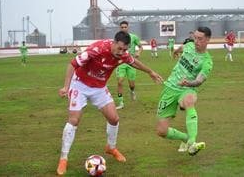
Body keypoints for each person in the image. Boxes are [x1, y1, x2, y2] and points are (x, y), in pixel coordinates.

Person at [56, 31, 163, 175]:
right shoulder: (96, 50)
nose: (121, 52)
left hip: (99, 88)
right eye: (119, 48)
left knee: (114, 118)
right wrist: (66, 86)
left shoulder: (123, 55)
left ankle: (111, 148)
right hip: (80, 85)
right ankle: (63, 158)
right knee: (74, 120)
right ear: (113, 43)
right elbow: (72, 64)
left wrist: (150, 72)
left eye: (124, 49)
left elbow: (134, 62)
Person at [156, 27, 213, 156]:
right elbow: (181, 48)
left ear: (208, 40)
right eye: (195, 37)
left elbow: (199, 81)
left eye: (200, 39)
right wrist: (176, 51)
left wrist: (189, 83)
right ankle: (185, 138)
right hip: (169, 88)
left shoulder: (207, 61)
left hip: (187, 88)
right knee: (161, 131)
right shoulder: (189, 45)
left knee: (189, 101)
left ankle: (192, 143)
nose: (196, 41)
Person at [116, 21, 144, 110]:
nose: (124, 28)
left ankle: (132, 91)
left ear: (128, 27)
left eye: (125, 27)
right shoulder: (118, 38)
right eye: (122, 27)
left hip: (131, 62)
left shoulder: (134, 37)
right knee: (120, 81)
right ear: (120, 28)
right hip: (121, 62)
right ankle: (121, 102)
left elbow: (141, 47)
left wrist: (138, 52)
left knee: (131, 84)